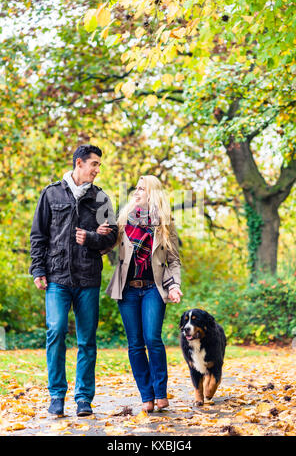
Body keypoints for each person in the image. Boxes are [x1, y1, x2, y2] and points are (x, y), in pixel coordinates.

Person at [29, 144, 118, 417]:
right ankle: (56, 396)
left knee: (87, 340)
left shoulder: (102, 198)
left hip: (88, 277)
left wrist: (93, 237)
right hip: (57, 276)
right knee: (55, 332)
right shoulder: (51, 193)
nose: (97, 170)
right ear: (79, 163)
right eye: (94, 164)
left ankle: (83, 399)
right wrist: (38, 269)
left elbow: (113, 237)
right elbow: (38, 235)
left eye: (99, 165)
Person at [103, 175, 182, 412]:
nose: (136, 192)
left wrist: (175, 285)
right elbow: (106, 244)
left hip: (153, 289)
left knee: (152, 339)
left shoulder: (165, 224)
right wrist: (94, 239)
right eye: (136, 188)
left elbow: (174, 260)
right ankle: (146, 397)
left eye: (142, 189)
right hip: (127, 290)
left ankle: (160, 393)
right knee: (135, 344)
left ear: (153, 194)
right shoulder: (124, 220)